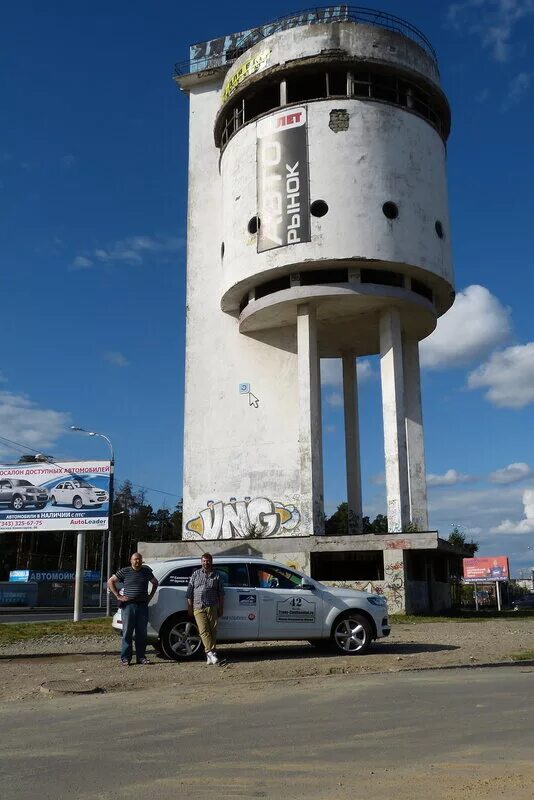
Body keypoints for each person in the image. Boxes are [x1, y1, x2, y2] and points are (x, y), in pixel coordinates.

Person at [108, 552, 159, 666]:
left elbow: (155, 582)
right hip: (128, 606)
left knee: (142, 633)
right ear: (131, 561)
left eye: (139, 559)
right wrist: (118, 595)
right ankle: (125, 658)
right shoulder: (124, 571)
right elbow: (110, 581)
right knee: (127, 633)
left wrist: (150, 597)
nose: (137, 561)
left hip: (142, 606)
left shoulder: (146, 571)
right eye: (135, 559)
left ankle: (141, 657)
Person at [186, 553, 224, 664]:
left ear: (211, 562)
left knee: (213, 630)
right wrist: (189, 607)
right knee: (203, 630)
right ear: (201, 562)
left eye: (208, 561)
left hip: (212, 606)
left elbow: (221, 594)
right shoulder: (195, 574)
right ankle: (210, 652)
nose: (206, 563)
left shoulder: (217, 575)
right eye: (204, 561)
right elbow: (189, 593)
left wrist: (221, 608)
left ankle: (211, 655)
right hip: (198, 607)